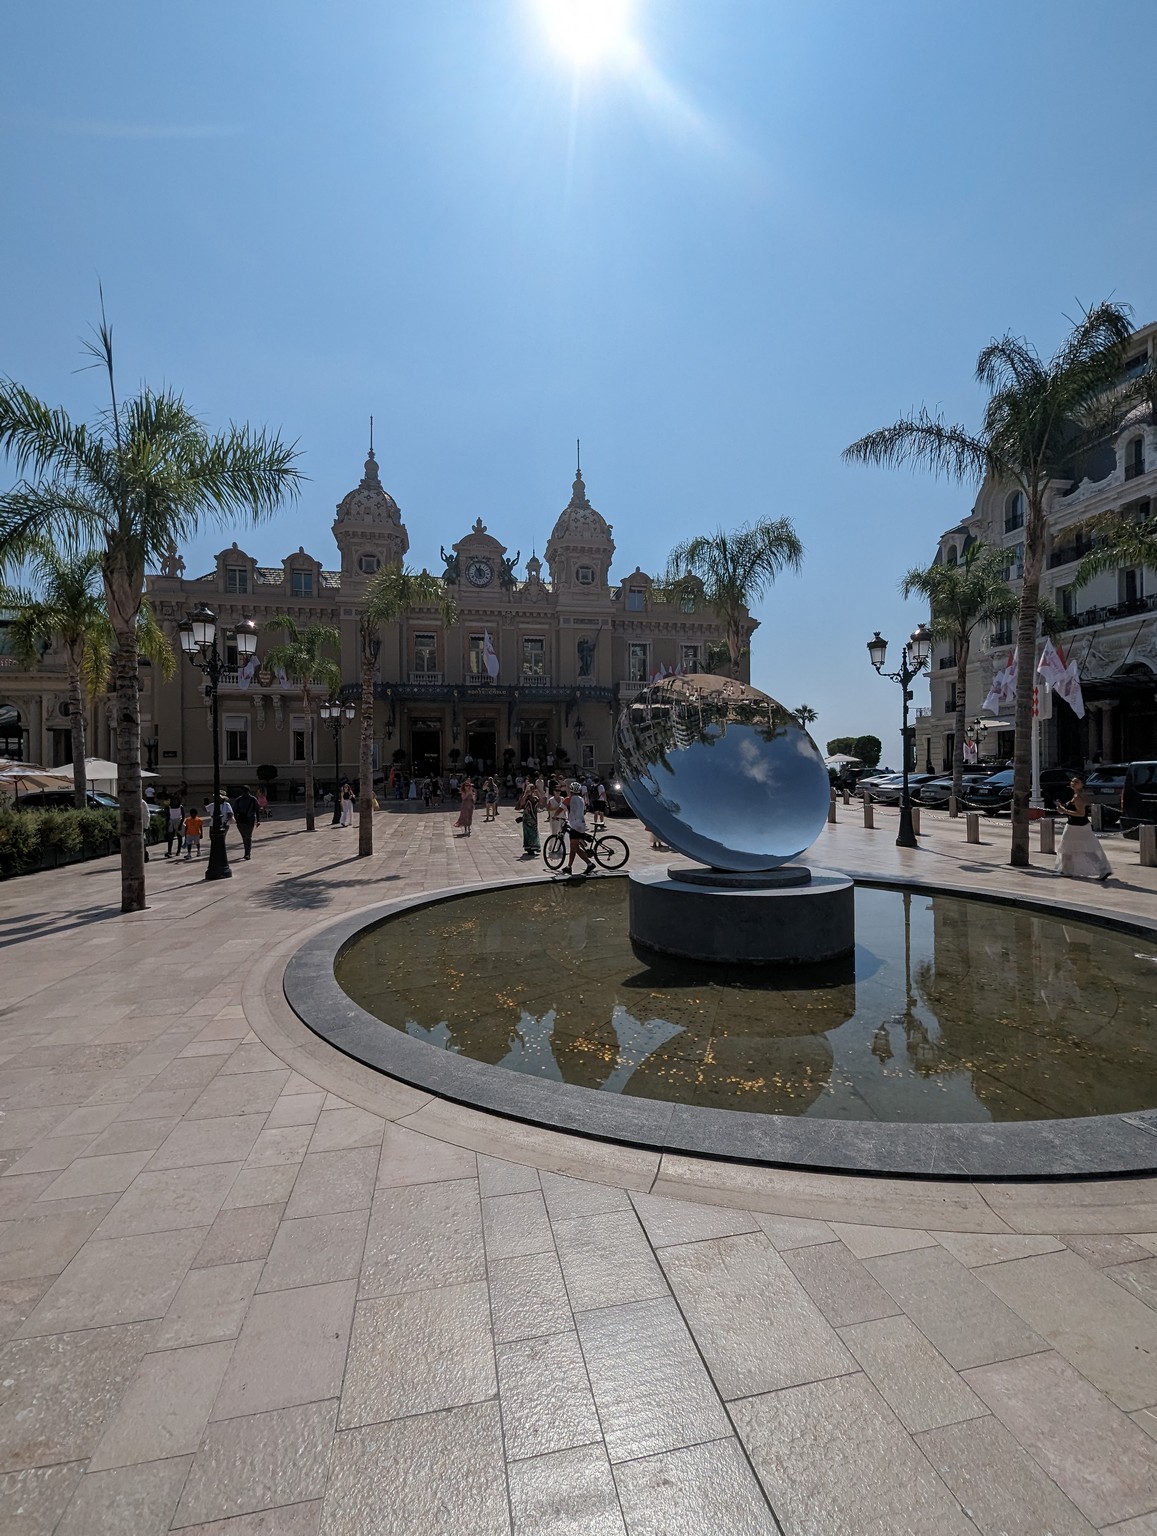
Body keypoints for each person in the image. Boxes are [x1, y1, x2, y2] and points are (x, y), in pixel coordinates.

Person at [1056, 774, 1111, 882]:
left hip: (1075, 826)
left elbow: (1081, 813)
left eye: (1076, 782)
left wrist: (1064, 811)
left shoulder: (1078, 797)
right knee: (1087, 848)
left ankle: (1067, 870)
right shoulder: (1079, 795)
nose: (1073, 784)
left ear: (1082, 785)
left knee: (1066, 848)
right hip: (1082, 825)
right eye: (1072, 781)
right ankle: (1102, 868)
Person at [564, 780, 595, 876]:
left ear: (570, 790)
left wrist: (554, 816)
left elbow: (560, 809)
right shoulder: (581, 799)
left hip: (575, 825)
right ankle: (569, 867)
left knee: (575, 847)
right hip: (581, 823)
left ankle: (589, 864)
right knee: (573, 847)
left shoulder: (569, 799)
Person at [517, 774, 544, 858]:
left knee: (534, 832)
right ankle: (530, 848)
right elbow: (521, 803)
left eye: (533, 788)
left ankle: (535, 846)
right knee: (528, 833)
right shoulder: (526, 797)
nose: (532, 790)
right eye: (531, 789)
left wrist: (538, 792)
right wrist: (526, 793)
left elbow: (542, 803)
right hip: (527, 818)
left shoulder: (535, 798)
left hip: (534, 818)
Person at [233, 783, 260, 860]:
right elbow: (235, 810)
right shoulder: (238, 800)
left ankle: (247, 853)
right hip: (241, 820)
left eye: (245, 791)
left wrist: (258, 820)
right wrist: (236, 820)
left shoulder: (253, 799)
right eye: (242, 791)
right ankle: (247, 852)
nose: (244, 793)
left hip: (250, 820)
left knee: (248, 837)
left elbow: (257, 810)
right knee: (244, 837)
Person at [164, 793, 184, 858]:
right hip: (171, 822)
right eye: (173, 800)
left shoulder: (180, 807)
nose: (174, 801)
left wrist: (180, 824)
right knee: (170, 838)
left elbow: (183, 816)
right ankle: (169, 851)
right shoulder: (169, 807)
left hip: (178, 821)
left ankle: (178, 851)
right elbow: (168, 816)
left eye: (175, 800)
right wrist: (167, 824)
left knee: (179, 837)